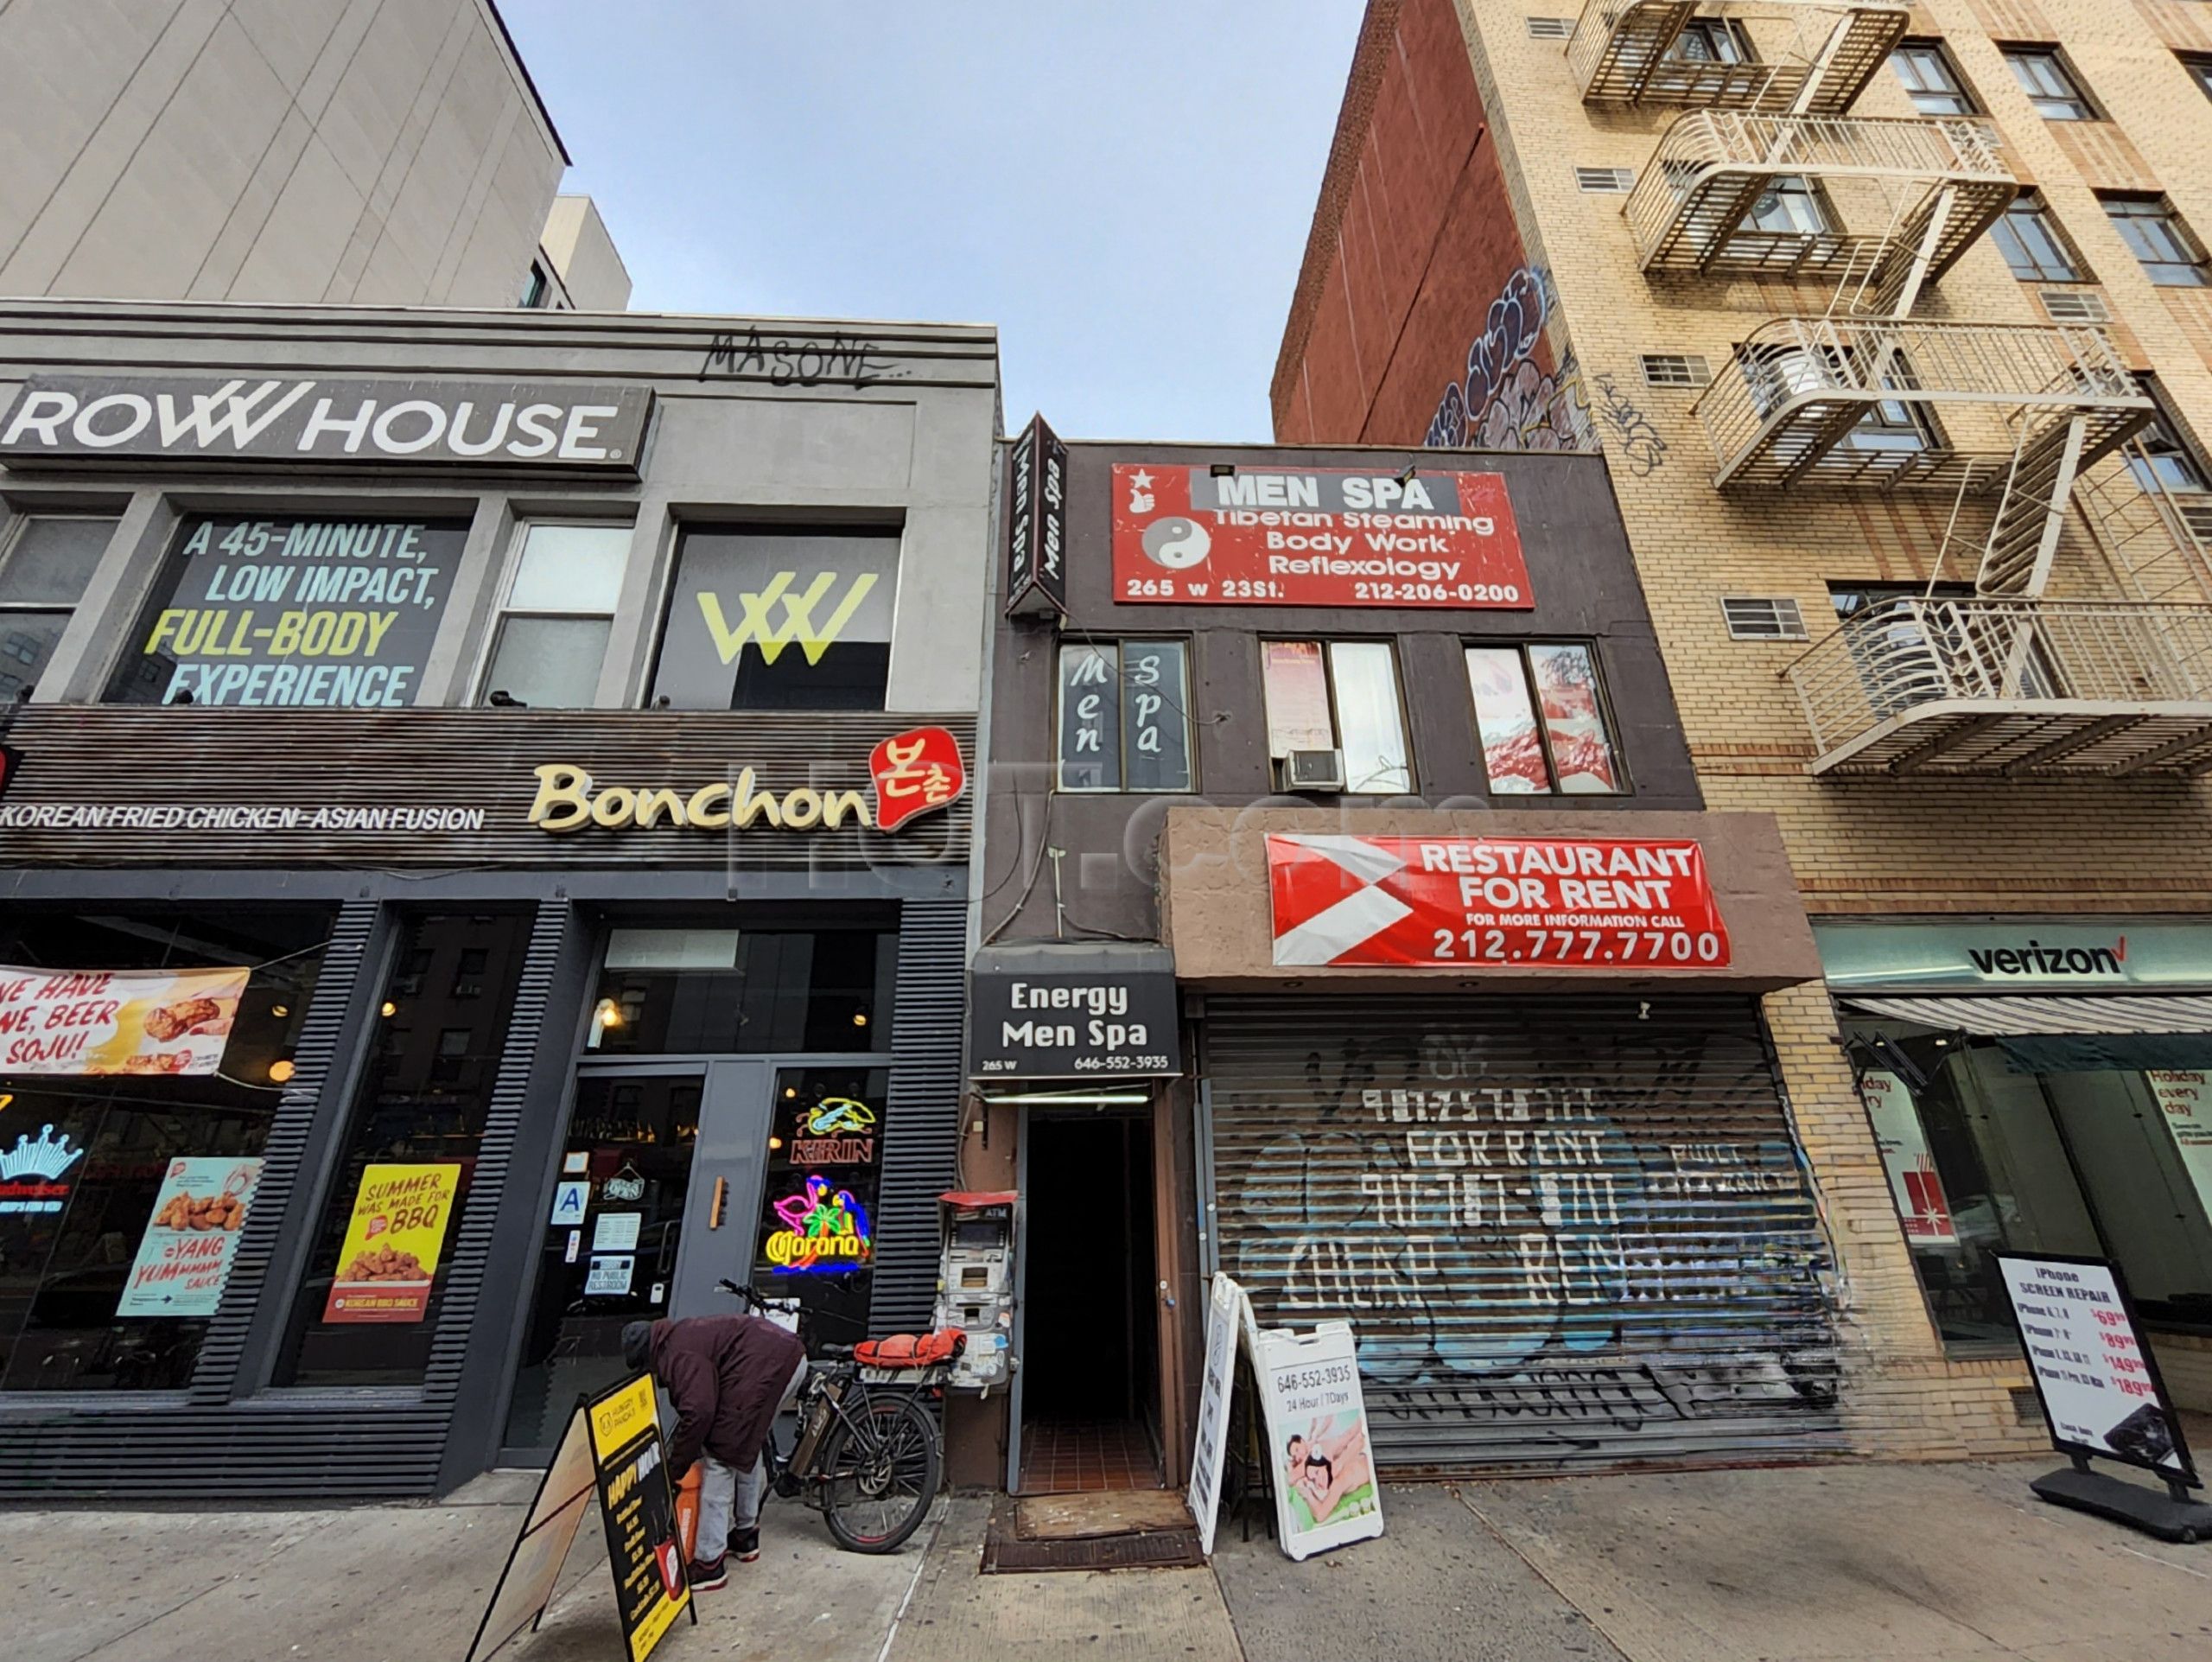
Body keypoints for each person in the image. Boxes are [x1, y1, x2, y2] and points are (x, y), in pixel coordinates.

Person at [623, 1312, 808, 1590]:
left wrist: (675, 1468)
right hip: (786, 1357)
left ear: (649, 1357)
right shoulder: (680, 1337)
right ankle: (746, 1536)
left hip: (770, 1363)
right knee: (744, 1443)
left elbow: (699, 1412)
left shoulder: (677, 1356)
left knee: (720, 1459)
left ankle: (709, 1564)